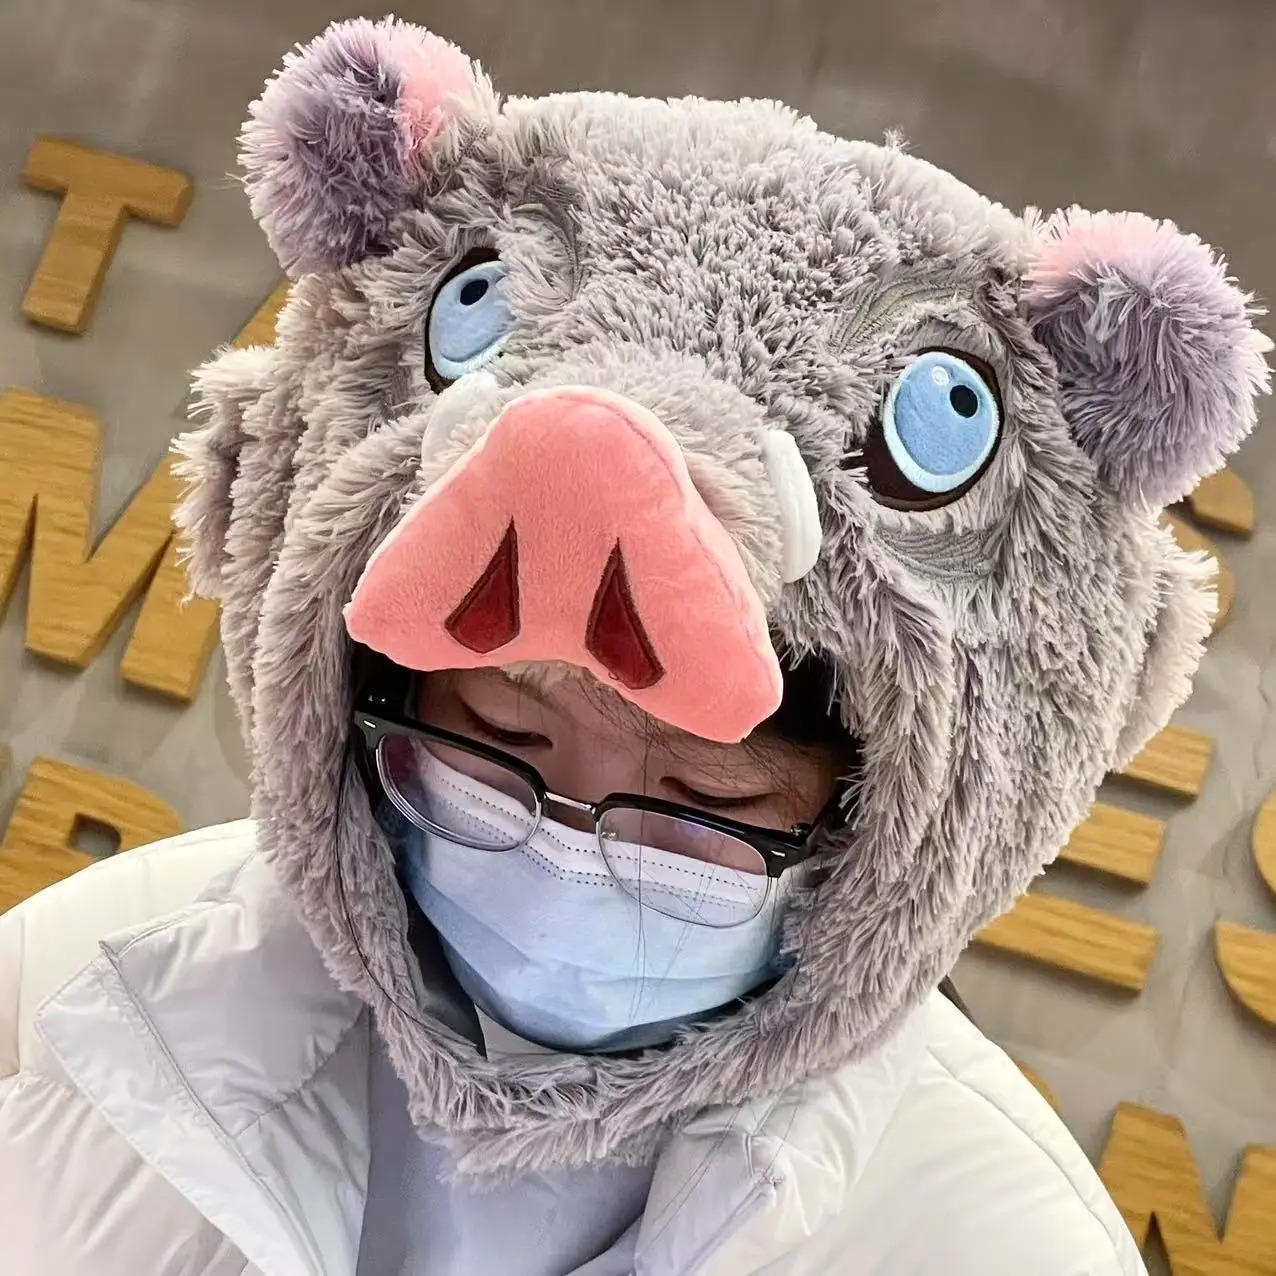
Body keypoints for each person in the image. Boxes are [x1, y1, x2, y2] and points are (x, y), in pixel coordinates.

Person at [1, 17, 1269, 1276]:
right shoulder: (85, 992)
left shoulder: (995, 1243)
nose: (564, 854)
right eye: (496, 739)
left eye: (702, 800)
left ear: (860, 826)